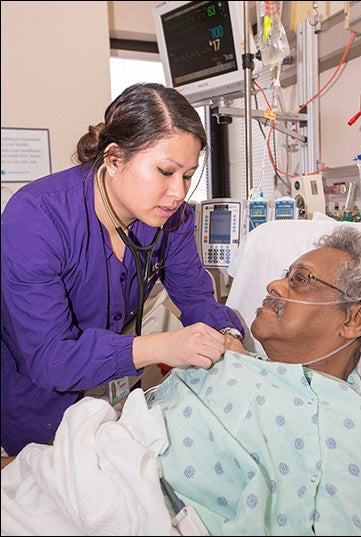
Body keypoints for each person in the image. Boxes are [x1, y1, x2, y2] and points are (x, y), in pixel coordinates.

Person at [1, 226, 361, 537]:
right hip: (66, 475)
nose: (273, 285)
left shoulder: (352, 422)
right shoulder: (231, 359)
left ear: (354, 320)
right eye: (284, 274)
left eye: (300, 280)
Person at [1, 82, 244, 457]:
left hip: (110, 400)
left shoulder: (171, 219)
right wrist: (162, 345)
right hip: (36, 405)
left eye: (188, 175)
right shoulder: (36, 217)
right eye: (166, 171)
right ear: (114, 159)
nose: (179, 192)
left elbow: (195, 296)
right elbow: (50, 358)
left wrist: (226, 333)